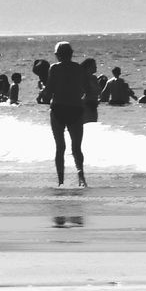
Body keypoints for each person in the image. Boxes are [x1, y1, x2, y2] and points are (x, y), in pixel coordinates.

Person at [43, 41, 93, 187]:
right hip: (75, 109)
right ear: (71, 54)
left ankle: (60, 181)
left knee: (60, 147)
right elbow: (88, 90)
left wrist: (42, 92)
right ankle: (81, 177)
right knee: (76, 148)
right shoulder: (78, 68)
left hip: (58, 109)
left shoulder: (54, 68)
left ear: (57, 55)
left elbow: (49, 91)